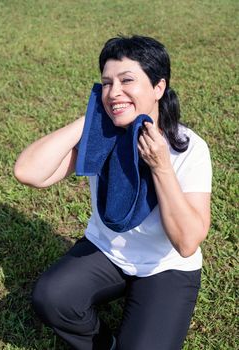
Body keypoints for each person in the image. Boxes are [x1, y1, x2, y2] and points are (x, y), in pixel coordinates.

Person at [14, 35, 212, 350]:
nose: (114, 92)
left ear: (158, 88)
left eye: (126, 80)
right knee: (52, 297)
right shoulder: (101, 139)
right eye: (106, 83)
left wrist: (161, 167)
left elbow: (187, 242)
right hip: (107, 252)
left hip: (166, 266)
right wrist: (92, 119)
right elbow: (28, 172)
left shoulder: (187, 147)